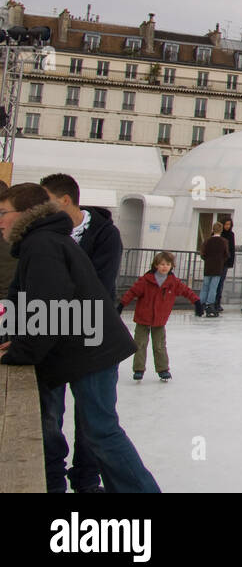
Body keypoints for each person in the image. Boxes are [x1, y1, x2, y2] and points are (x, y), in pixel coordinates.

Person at [0, 182, 160, 493]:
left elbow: (49, 307)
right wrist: (16, 340)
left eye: (3, 212)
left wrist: (22, 351)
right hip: (84, 348)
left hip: (92, 351)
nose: (0, 220)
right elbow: (23, 299)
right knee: (99, 431)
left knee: (101, 431)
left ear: (25, 214)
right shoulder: (42, 241)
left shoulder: (42, 244)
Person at [38, 173, 124, 492]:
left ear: (64, 200)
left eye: (45, 201)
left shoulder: (105, 235)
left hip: (92, 341)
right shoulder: (47, 235)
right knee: (50, 414)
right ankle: (52, 479)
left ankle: (86, 479)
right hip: (52, 341)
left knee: (93, 419)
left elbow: (98, 289)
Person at [119, 251, 200, 381]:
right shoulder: (146, 280)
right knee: (140, 344)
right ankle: (139, 369)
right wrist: (122, 304)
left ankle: (163, 369)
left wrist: (196, 301)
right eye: (162, 264)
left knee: (159, 345)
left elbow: (186, 291)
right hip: (143, 317)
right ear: (156, 265)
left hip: (160, 320)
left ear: (171, 266)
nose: (164, 267)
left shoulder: (173, 282)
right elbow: (132, 291)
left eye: (168, 264)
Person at [200, 222, 228, 317]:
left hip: (208, 267)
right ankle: (210, 305)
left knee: (205, 286)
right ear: (221, 230)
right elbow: (226, 254)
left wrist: (207, 259)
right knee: (213, 287)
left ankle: (200, 304)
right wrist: (221, 261)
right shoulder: (224, 241)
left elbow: (203, 254)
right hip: (218, 267)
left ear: (213, 229)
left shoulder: (207, 241)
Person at [218, 218, 237, 313]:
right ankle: (211, 302)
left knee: (221, 282)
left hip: (225, 262)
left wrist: (231, 262)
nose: (227, 226)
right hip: (217, 262)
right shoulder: (218, 234)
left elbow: (232, 249)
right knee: (215, 283)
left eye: (229, 224)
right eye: (226, 224)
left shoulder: (231, 235)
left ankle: (217, 302)